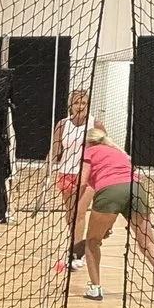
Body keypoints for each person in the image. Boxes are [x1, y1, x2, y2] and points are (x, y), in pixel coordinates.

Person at [72, 122, 154, 308]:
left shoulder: (88, 152)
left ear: (88, 143)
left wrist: (76, 204)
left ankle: (95, 289)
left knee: (92, 242)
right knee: (147, 244)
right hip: (137, 189)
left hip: (110, 192)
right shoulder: (118, 152)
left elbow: (83, 182)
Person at [47, 86, 91, 251]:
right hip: (66, 172)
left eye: (84, 103)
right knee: (71, 213)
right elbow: (56, 148)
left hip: (86, 174)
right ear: (70, 106)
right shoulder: (63, 124)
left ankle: (77, 251)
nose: (80, 106)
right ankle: (75, 243)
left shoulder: (94, 124)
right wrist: (48, 166)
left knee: (79, 213)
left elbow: (105, 148)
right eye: (76, 103)